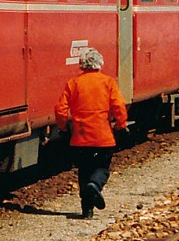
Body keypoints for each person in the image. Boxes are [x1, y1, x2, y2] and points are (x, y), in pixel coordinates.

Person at [55, 47, 128, 219]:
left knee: (84, 171)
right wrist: (121, 125)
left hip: (80, 136)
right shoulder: (108, 82)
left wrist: (63, 127)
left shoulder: (73, 83)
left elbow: (60, 109)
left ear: (82, 65)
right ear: (100, 64)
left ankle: (87, 210)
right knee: (102, 167)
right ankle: (95, 184)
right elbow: (118, 106)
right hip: (103, 135)